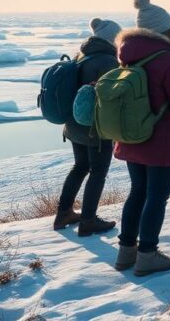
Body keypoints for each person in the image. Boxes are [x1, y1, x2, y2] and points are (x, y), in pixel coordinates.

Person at [113, 0, 170, 276]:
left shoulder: (126, 55)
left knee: (137, 192)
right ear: (165, 29)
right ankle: (147, 254)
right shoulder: (168, 59)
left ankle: (126, 252)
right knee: (156, 197)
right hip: (160, 141)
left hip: (131, 137)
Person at [53, 18, 121, 236]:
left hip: (73, 125)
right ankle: (89, 220)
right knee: (98, 171)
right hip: (95, 128)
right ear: (112, 38)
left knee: (80, 166)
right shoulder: (108, 61)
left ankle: (64, 213)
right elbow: (112, 97)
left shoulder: (82, 54)